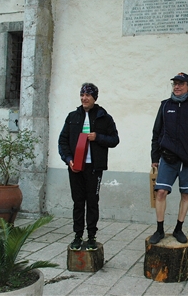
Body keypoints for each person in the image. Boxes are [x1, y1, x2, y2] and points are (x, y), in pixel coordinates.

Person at [149, 72, 188, 244]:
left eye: (181, 84)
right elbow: (156, 133)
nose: (177, 86)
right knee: (160, 192)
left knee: (185, 194)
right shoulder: (164, 106)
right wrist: (155, 156)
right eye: (175, 83)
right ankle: (160, 230)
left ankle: (179, 229)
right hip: (167, 159)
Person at [58, 83, 119, 250]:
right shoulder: (72, 117)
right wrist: (68, 159)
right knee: (78, 202)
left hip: (94, 167)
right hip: (75, 167)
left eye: (88, 95)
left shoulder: (104, 117)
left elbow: (114, 140)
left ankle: (91, 236)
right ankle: (77, 235)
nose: (84, 98)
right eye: (82, 94)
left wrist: (97, 137)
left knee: (92, 202)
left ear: (94, 98)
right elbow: (62, 141)